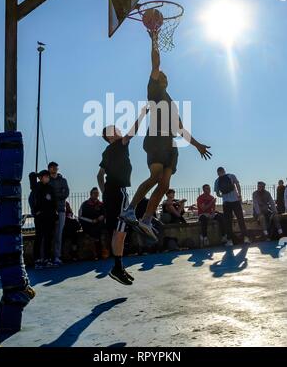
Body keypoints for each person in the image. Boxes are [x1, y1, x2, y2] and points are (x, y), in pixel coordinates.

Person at [121, 30, 212, 240]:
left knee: (164, 185)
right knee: (155, 177)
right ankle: (130, 209)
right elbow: (155, 62)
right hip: (156, 139)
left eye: (164, 75)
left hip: (171, 145)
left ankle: (146, 219)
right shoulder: (153, 91)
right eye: (160, 73)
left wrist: (197, 145)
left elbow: (180, 128)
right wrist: (154, 36)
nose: (162, 74)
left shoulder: (171, 102)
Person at [97, 105, 148, 285]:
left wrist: (104, 195)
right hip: (118, 192)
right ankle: (117, 268)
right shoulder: (118, 144)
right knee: (120, 231)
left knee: (120, 230)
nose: (119, 129)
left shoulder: (106, 152)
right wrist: (142, 114)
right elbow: (132, 132)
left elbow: (99, 176)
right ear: (111, 136)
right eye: (115, 129)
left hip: (111, 192)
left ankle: (118, 266)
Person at [214, 167, 250, 246]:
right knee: (240, 219)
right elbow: (237, 185)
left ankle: (230, 241)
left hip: (226, 203)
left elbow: (217, 193)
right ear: (224, 171)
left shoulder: (217, 181)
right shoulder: (231, 176)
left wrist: (223, 196)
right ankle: (246, 238)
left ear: (218, 173)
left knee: (228, 222)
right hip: (235, 201)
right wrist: (239, 195)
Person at [33, 170, 58, 269]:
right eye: (45, 176)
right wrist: (36, 212)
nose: (47, 178)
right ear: (40, 178)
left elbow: (54, 202)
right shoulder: (36, 188)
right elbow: (33, 201)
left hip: (50, 217)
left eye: (48, 176)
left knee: (48, 238)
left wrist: (54, 215)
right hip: (40, 217)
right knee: (39, 237)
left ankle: (47, 259)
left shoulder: (51, 188)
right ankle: (37, 260)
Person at [48, 161, 70, 266]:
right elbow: (48, 194)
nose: (54, 169)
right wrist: (59, 193)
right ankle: (47, 257)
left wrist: (55, 196)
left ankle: (57, 256)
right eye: (52, 167)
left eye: (55, 167)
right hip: (49, 211)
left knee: (59, 234)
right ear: (49, 169)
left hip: (61, 210)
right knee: (48, 234)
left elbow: (66, 193)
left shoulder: (63, 180)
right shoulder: (47, 181)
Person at [78, 187, 109, 260]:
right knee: (93, 233)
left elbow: (105, 214)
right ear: (91, 194)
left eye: (97, 193)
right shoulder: (85, 204)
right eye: (94, 193)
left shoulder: (101, 204)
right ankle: (95, 254)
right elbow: (80, 216)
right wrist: (91, 221)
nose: (96, 194)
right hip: (88, 224)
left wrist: (101, 217)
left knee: (101, 229)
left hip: (98, 224)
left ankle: (101, 253)